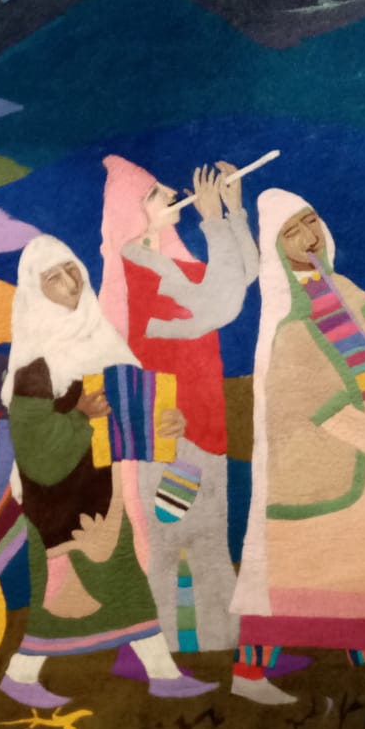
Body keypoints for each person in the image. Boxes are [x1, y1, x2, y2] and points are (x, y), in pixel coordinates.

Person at [230, 189, 365, 702]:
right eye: (291, 233)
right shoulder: (288, 318)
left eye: (310, 222)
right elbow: (317, 406)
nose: (307, 238)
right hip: (312, 469)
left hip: (363, 463)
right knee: (288, 571)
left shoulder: (335, 285)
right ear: (274, 247)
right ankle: (249, 675)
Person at [0, 235, 218, 708]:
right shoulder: (34, 364)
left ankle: (160, 674)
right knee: (61, 598)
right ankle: (22, 675)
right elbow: (33, 448)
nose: (68, 282)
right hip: (57, 504)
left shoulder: (103, 339)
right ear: (35, 290)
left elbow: (132, 412)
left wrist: (168, 423)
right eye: (52, 277)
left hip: (102, 493)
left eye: (70, 269)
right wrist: (80, 416)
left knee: (123, 584)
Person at [98, 153, 261, 656]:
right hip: (175, 428)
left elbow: (241, 276)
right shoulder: (137, 266)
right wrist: (213, 219)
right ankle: (163, 647)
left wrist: (234, 213)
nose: (171, 194)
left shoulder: (167, 261)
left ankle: (218, 643)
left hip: (202, 420)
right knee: (173, 543)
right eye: (155, 194)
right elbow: (222, 303)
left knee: (209, 538)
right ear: (132, 211)